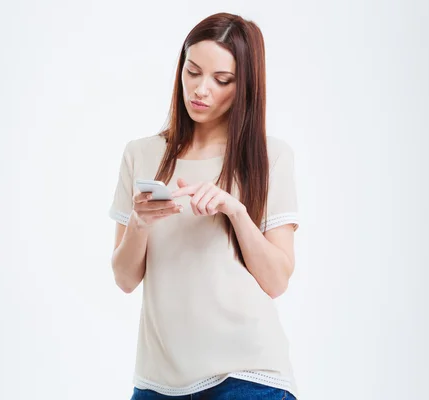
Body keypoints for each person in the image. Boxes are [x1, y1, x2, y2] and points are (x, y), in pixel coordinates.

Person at [109, 12, 300, 400]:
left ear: (244, 85)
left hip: (248, 377)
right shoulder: (141, 154)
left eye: (221, 80)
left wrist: (236, 211)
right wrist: (140, 223)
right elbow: (125, 279)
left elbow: (277, 280)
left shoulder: (269, 156)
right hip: (157, 380)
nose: (200, 89)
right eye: (192, 71)